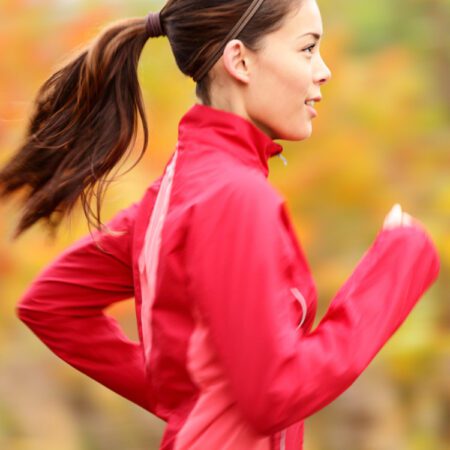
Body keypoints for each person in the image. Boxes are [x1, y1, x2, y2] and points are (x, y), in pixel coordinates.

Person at [0, 0, 440, 449]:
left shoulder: (177, 190)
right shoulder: (234, 197)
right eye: (307, 49)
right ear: (240, 61)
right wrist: (397, 266)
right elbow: (275, 394)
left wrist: (187, 400)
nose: (323, 70)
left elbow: (52, 304)